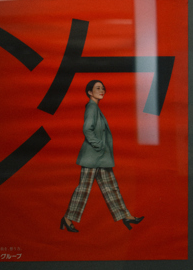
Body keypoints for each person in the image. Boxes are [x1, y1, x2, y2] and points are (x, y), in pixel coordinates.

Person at [61, 79, 143, 232]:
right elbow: (87, 129)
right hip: (92, 157)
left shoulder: (95, 108)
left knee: (111, 187)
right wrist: (99, 145)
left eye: (103, 88)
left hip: (101, 157)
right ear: (89, 92)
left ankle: (126, 215)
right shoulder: (91, 108)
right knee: (84, 189)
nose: (102, 90)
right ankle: (67, 219)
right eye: (98, 88)